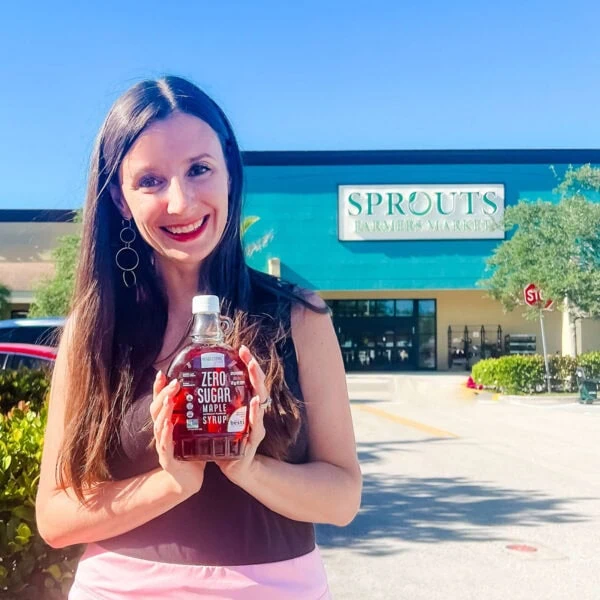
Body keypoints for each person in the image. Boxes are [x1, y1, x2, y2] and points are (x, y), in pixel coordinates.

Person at [35, 75, 362, 599]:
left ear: (229, 172)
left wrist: (248, 469)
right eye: (150, 181)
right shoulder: (93, 331)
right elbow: (55, 516)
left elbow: (342, 497)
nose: (181, 202)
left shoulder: (299, 317)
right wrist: (171, 483)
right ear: (120, 199)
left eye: (199, 169)